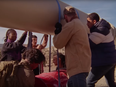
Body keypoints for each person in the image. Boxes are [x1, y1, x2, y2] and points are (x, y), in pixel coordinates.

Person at [53, 6, 91, 87]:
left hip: (77, 69)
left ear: (66, 16)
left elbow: (58, 44)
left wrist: (57, 32)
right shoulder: (81, 24)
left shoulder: (71, 25)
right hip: (83, 67)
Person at [86, 12, 116, 87]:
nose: (87, 24)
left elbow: (88, 44)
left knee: (89, 83)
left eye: (88, 22)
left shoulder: (100, 31)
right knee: (111, 83)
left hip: (103, 62)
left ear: (94, 21)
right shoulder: (103, 29)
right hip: (110, 61)